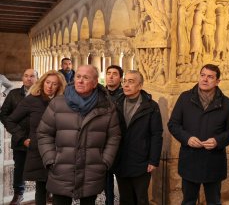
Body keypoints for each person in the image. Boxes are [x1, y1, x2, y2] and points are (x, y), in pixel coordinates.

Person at [37, 65, 121, 205]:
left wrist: (104, 161)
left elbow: (114, 136)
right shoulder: (58, 103)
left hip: (92, 170)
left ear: (95, 83)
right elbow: (44, 133)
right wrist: (51, 159)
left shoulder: (106, 107)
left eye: (86, 78)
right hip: (61, 168)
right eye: (78, 76)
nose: (80, 81)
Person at [168, 64, 229, 205]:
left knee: (213, 201)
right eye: (202, 75)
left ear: (218, 81)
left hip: (213, 162)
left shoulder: (226, 103)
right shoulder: (185, 98)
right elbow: (173, 125)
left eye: (210, 77)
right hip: (190, 160)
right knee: (188, 201)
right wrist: (187, 138)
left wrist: (217, 141)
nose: (205, 79)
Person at [6, 70, 66, 205]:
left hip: (59, 150)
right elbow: (11, 120)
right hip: (38, 150)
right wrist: (23, 139)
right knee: (41, 188)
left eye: (54, 84)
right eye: (48, 82)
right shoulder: (32, 100)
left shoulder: (64, 101)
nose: (50, 86)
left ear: (60, 86)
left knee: (59, 189)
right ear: (42, 82)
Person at [112, 70, 163, 205]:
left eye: (131, 81)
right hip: (120, 159)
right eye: (124, 81)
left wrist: (153, 160)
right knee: (125, 198)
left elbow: (156, 134)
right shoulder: (116, 103)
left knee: (141, 198)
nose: (126, 85)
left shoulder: (151, 106)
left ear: (140, 86)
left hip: (141, 160)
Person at [0, 68, 38, 205]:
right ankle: (18, 194)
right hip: (19, 138)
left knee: (42, 166)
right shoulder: (14, 94)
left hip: (38, 139)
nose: (28, 78)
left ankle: (46, 192)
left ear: (37, 79)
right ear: (22, 78)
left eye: (32, 76)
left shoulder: (42, 95)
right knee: (20, 166)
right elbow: (3, 114)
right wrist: (17, 133)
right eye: (26, 76)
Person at [104, 65, 124, 205]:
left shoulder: (125, 95)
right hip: (103, 143)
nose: (111, 76)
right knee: (106, 179)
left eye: (115, 74)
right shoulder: (99, 93)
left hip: (121, 143)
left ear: (121, 78)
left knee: (122, 180)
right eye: (108, 73)